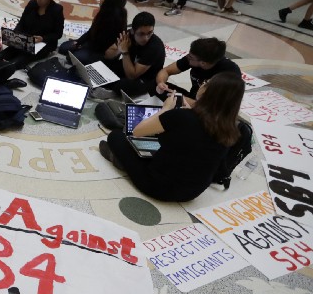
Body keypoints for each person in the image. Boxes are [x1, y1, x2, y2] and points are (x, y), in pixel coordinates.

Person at [100, 71, 244, 202]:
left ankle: (123, 162)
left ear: (209, 91)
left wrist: (165, 109)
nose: (202, 84)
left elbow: (137, 131)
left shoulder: (182, 116)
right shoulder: (231, 129)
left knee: (116, 136)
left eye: (205, 83)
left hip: (158, 187)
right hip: (192, 193)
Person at [93, 11, 165, 99]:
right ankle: (108, 86)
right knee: (102, 65)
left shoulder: (154, 47)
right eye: (141, 34)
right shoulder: (127, 35)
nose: (146, 38)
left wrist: (125, 52)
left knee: (123, 85)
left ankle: (113, 92)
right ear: (132, 31)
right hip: (129, 66)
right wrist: (119, 49)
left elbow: (132, 75)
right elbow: (107, 55)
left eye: (150, 33)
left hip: (146, 79)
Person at [0, 0, 64, 69]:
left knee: (21, 60)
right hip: (27, 39)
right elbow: (21, 23)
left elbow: (58, 34)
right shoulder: (32, 4)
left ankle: (5, 69)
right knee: (5, 53)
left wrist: (43, 38)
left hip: (43, 43)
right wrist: (16, 35)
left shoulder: (57, 10)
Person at [154, 37, 240, 106]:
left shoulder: (230, 72)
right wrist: (161, 82)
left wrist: (182, 100)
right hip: (192, 98)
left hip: (209, 110)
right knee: (155, 85)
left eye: (191, 57)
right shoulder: (193, 59)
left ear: (203, 63)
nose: (188, 57)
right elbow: (166, 71)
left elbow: (216, 108)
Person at [59, 0, 127, 65]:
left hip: (101, 52)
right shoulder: (105, 12)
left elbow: (101, 44)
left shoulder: (115, 19)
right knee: (63, 48)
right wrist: (79, 42)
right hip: (92, 44)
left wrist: (81, 46)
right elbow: (91, 31)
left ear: (109, 0)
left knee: (71, 57)